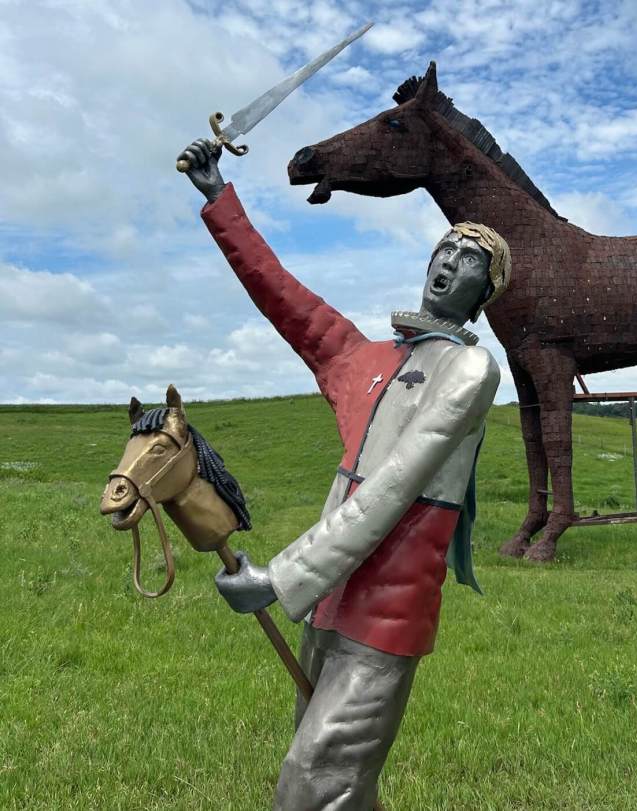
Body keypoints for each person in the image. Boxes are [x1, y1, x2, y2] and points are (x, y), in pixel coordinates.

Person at [178, 138, 507, 811]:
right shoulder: (367, 360)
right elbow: (287, 299)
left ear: (483, 296)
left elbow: (394, 487)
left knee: (312, 784)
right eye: (443, 251)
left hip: (385, 615)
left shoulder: (469, 369)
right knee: (337, 784)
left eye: (469, 260)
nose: (449, 262)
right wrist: (220, 200)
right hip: (329, 605)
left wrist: (280, 577)